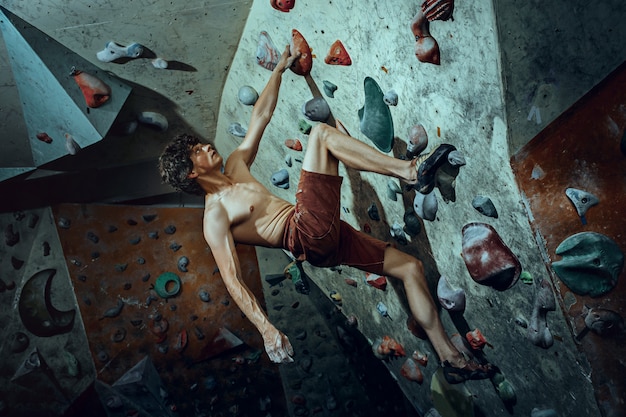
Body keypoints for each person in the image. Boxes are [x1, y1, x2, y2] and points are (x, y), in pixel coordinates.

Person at [158, 46, 494, 383]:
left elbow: (259, 117)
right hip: (305, 231)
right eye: (196, 152)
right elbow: (232, 279)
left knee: (409, 268)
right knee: (320, 135)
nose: (204, 146)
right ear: (191, 173)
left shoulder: (235, 165)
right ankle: (410, 171)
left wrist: (278, 70)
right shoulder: (214, 217)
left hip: (321, 242)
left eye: (199, 144)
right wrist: (267, 330)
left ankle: (450, 358)